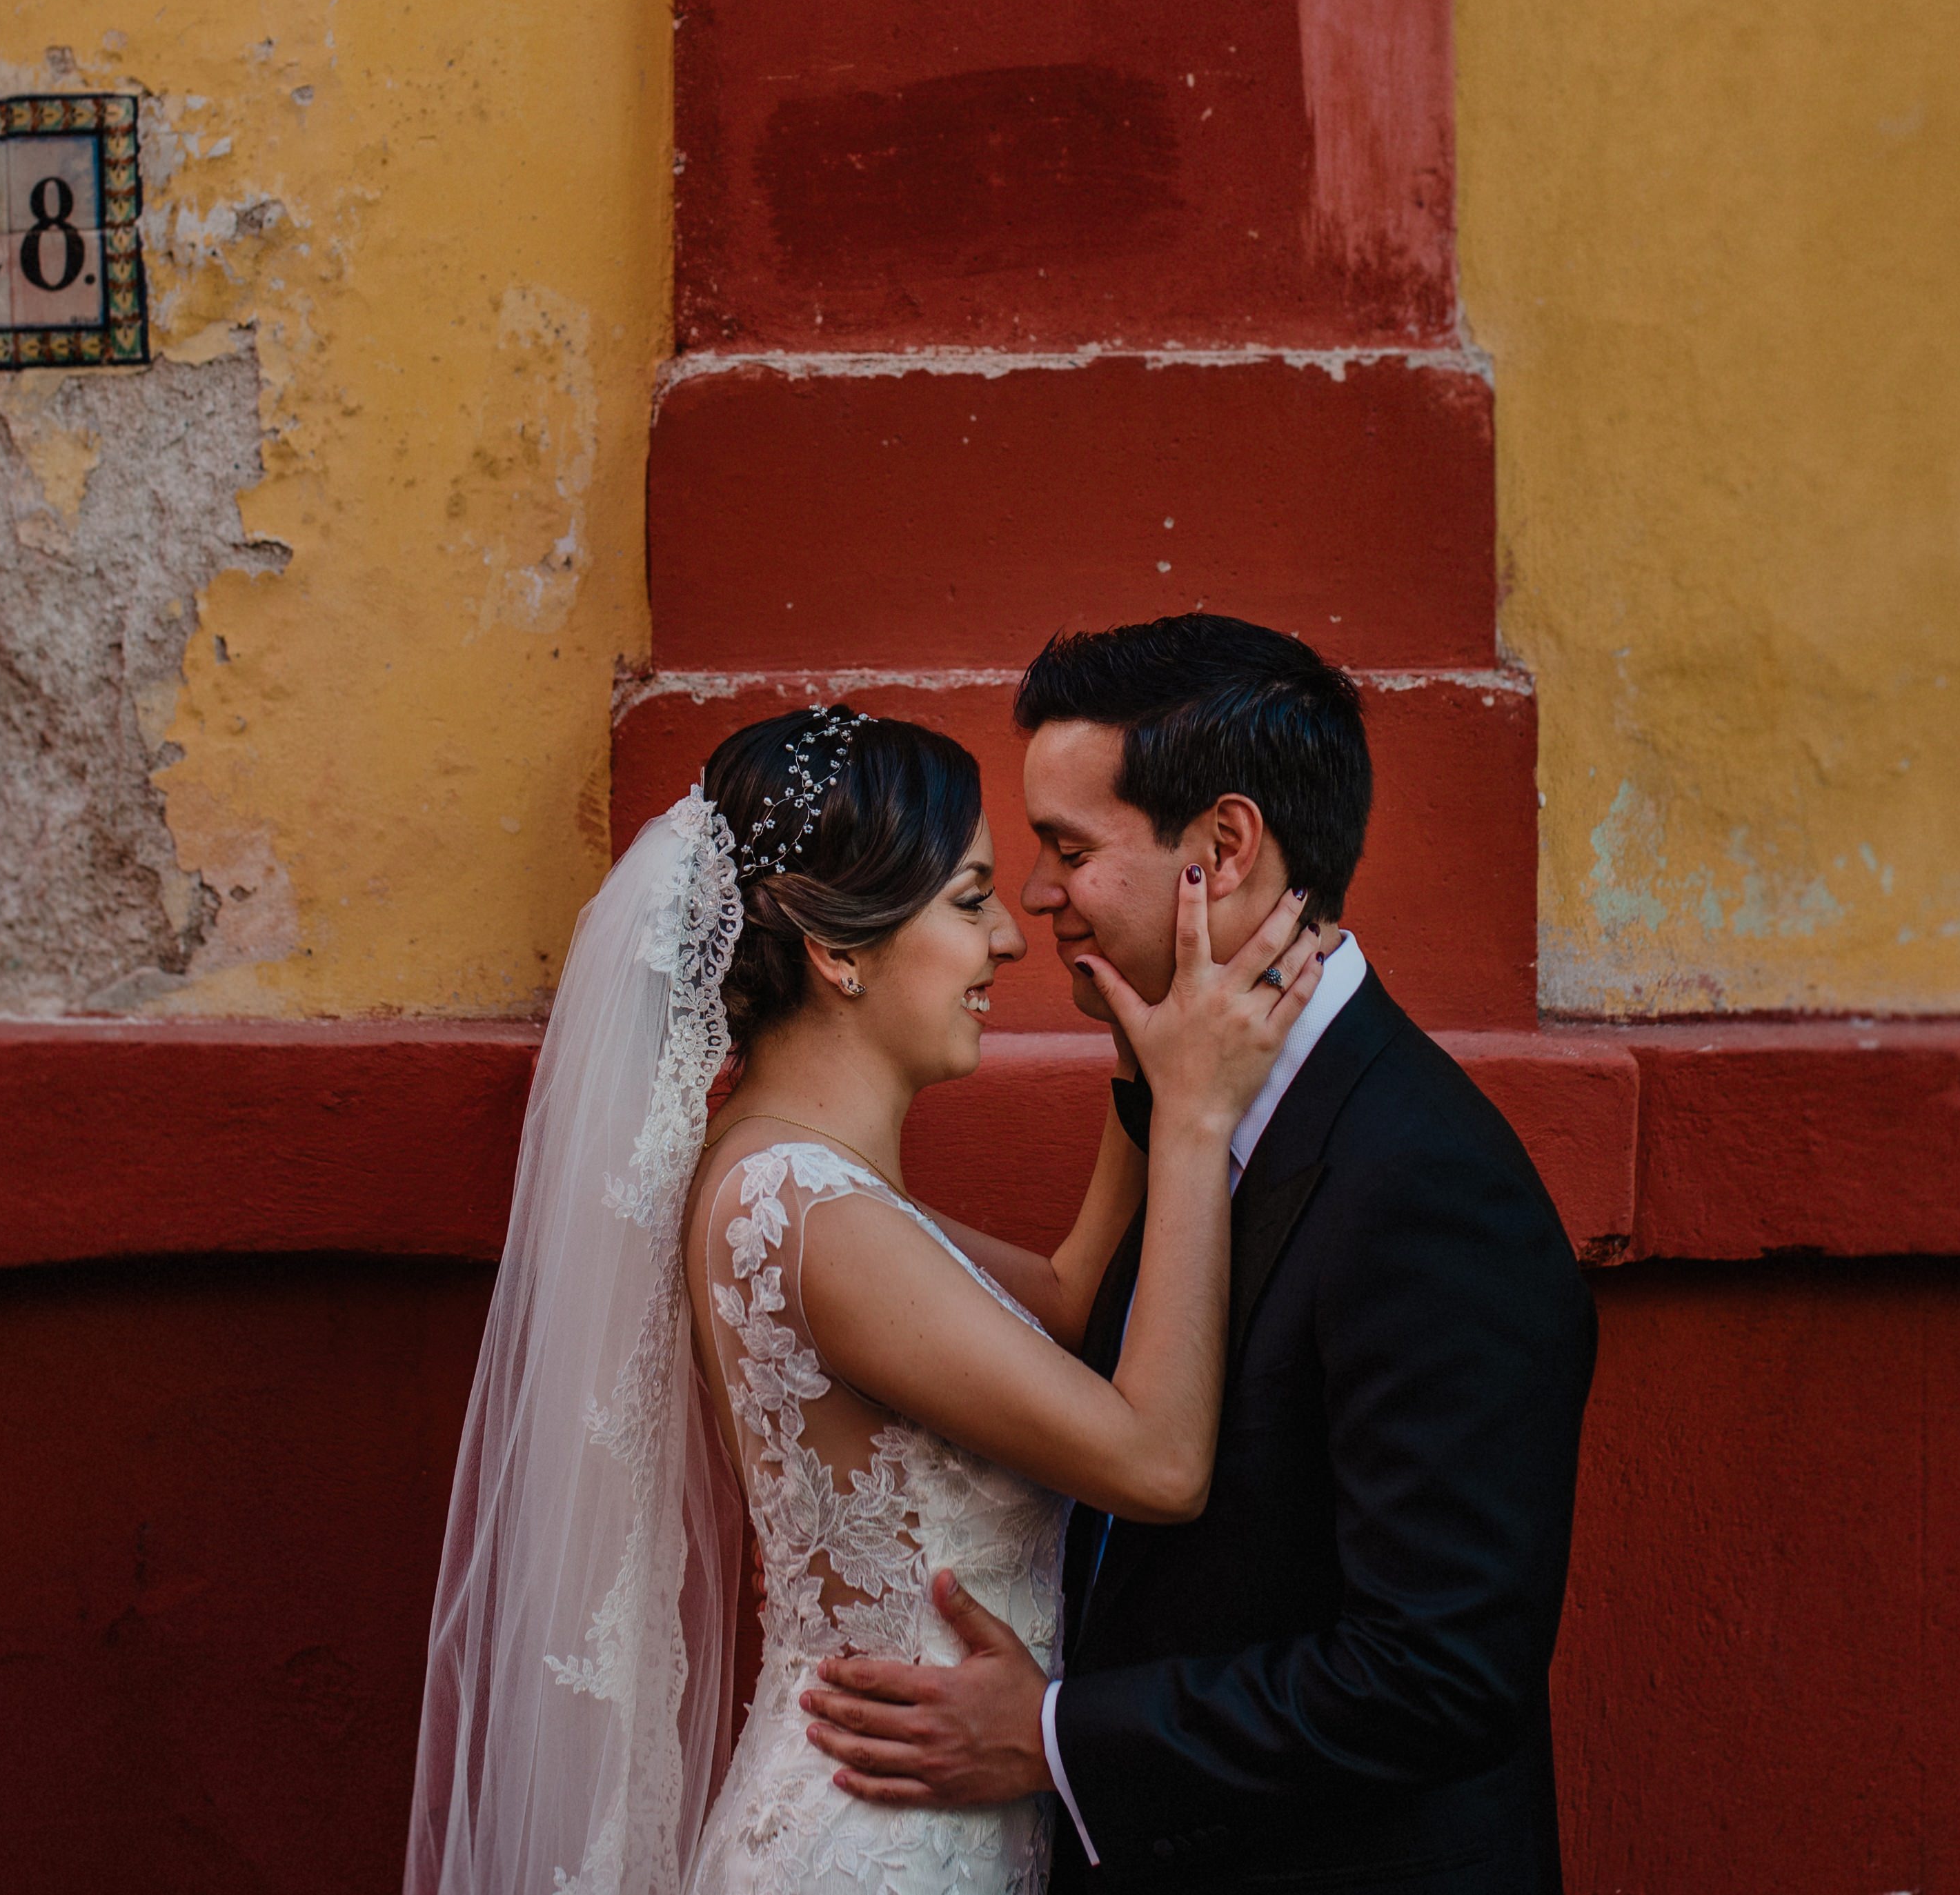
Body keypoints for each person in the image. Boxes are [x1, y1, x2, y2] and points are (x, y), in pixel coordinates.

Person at [406, 698, 1319, 1895]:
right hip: (878, 1848)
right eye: (969, 898)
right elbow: (1155, 1461)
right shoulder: (805, 1209)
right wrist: (1201, 1120)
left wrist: (1147, 1065)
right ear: (840, 949)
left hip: (908, 1821)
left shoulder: (781, 1170)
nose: (1006, 940)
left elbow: (1062, 1297)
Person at [798, 616, 1601, 1893]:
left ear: (1221, 850)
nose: (1035, 898)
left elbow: (1439, 1674)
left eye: (1068, 849)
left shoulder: (1427, 1183)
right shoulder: (1178, 1101)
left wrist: (1053, 1738)